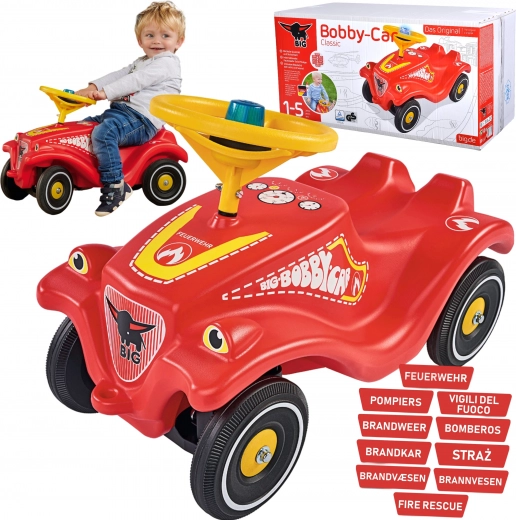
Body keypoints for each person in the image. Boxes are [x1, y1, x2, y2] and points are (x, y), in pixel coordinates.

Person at [75, 1, 185, 216]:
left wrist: (105, 92)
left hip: (142, 119)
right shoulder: (141, 61)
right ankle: (84, 172)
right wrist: (93, 87)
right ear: (140, 40)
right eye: (150, 35)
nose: (157, 41)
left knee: (104, 133)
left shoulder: (167, 62)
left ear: (179, 41)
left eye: (165, 35)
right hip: (121, 114)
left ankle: (116, 185)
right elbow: (120, 75)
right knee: (82, 128)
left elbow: (136, 80)